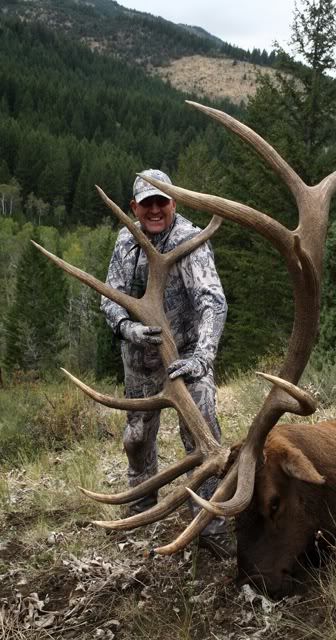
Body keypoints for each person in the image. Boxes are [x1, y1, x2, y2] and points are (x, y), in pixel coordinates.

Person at [101, 169, 229, 554]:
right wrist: (126, 327)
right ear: (134, 207)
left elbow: (213, 301)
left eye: (162, 202)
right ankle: (143, 505)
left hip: (187, 358)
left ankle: (210, 523)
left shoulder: (191, 240)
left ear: (173, 203)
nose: (155, 210)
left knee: (202, 434)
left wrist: (202, 358)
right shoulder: (126, 240)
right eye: (147, 203)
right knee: (137, 438)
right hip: (141, 360)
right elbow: (110, 296)